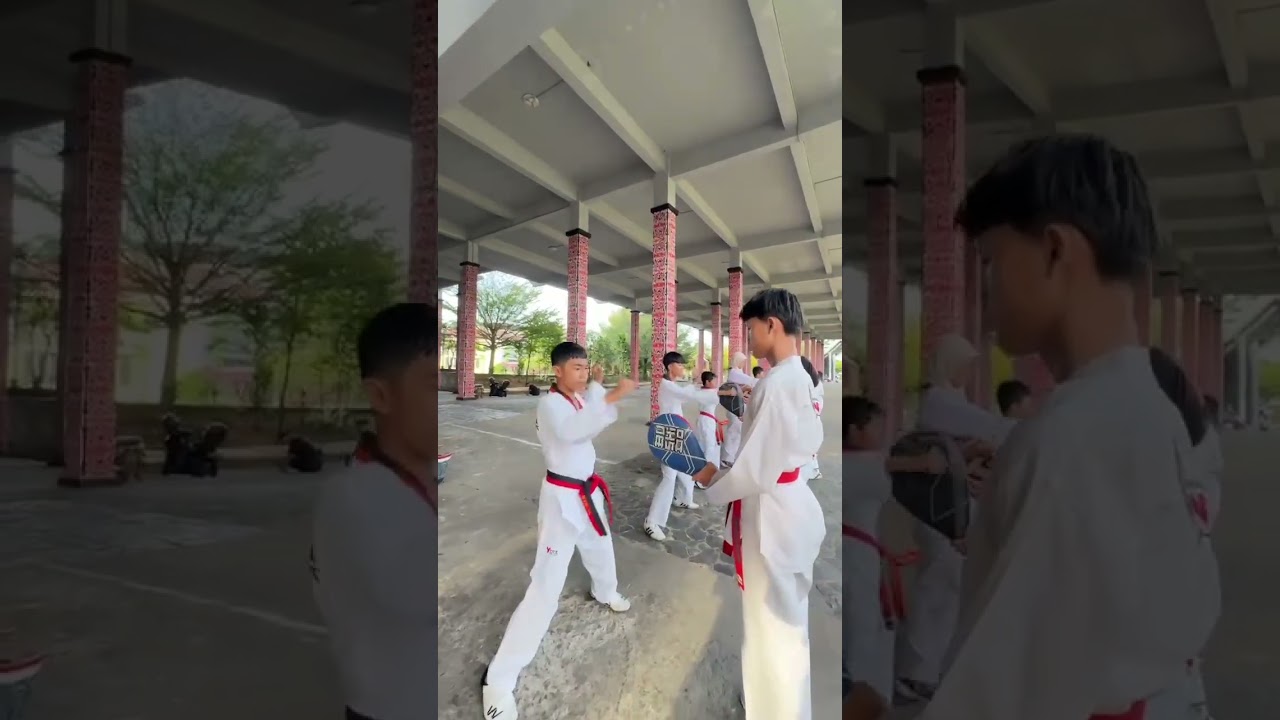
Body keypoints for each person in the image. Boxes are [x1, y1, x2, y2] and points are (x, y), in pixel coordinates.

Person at [920, 134, 1220, 720]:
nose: (985, 290)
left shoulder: (1066, 438)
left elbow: (996, 694)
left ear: (1055, 252)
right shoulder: (1163, 401)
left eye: (991, 261)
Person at [482, 343, 638, 719]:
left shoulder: (578, 398)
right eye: (577, 368)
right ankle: (499, 680)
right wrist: (613, 394)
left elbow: (600, 418)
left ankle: (606, 591)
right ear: (557, 370)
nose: (584, 374)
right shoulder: (551, 405)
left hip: (587, 493)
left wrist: (601, 389)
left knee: (600, 546)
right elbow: (574, 432)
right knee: (547, 583)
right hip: (561, 499)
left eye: (587, 368)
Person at [690, 288, 824, 719]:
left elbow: (754, 470)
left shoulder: (779, 382)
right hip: (789, 504)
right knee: (782, 624)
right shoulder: (798, 376)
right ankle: (770, 700)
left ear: (772, 324)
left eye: (751, 328)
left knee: (775, 631)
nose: (746, 338)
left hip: (773, 514)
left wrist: (710, 478)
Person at [311, 302, 437, 720]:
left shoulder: (411, 481)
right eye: (434, 384)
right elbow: (420, 597)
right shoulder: (356, 497)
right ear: (381, 395)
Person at [896, 332, 1013, 703]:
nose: (967, 372)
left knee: (948, 588)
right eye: (963, 365)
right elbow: (989, 431)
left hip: (953, 504)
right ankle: (916, 672)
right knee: (940, 587)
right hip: (939, 509)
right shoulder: (939, 401)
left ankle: (929, 670)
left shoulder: (949, 400)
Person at [843, 396, 946, 715]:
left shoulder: (858, 462)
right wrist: (927, 462)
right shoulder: (857, 464)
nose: (880, 433)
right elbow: (890, 463)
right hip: (854, 557)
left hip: (860, 554)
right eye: (874, 426)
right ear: (855, 430)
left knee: (866, 627)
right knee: (861, 630)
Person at [644, 351, 737, 540]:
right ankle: (652, 522)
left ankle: (683, 499)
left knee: (684, 468)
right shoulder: (668, 385)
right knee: (669, 477)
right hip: (669, 436)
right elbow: (690, 395)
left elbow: (687, 393)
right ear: (670, 366)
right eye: (680, 364)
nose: (682, 367)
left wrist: (696, 381)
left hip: (677, 434)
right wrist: (723, 392)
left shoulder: (672, 385)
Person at [722, 352, 759, 468]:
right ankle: (726, 458)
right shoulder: (734, 373)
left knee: (737, 431)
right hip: (734, 406)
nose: (743, 363)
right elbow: (750, 381)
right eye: (742, 361)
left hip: (739, 404)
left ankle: (732, 457)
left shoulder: (738, 372)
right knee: (733, 431)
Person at [696, 370, 727, 477]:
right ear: (708, 382)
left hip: (704, 419)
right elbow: (719, 392)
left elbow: (717, 391)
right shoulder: (709, 393)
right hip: (707, 421)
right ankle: (706, 474)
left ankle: (701, 469)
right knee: (709, 446)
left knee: (702, 444)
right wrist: (731, 392)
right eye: (714, 381)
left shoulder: (702, 391)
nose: (716, 383)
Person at [801, 356, 824, 480]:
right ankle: (814, 471)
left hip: (808, 419)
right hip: (813, 419)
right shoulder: (815, 382)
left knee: (808, 449)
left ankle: (812, 471)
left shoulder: (807, 383)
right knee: (811, 448)